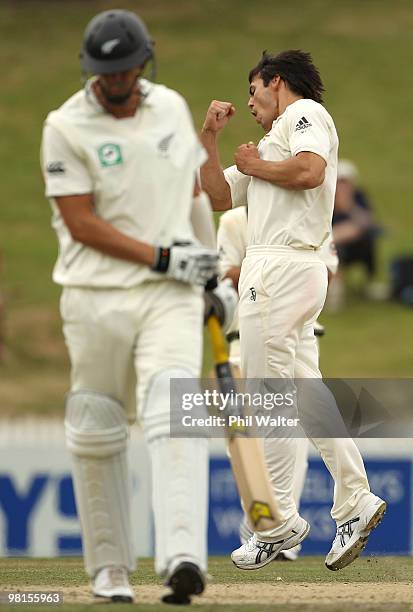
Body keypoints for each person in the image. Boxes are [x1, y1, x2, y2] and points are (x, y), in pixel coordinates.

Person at [41, 9, 235, 605]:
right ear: (90, 70)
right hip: (95, 297)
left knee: (174, 410)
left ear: (144, 62)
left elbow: (193, 193)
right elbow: (80, 223)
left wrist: (211, 271)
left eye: (126, 69)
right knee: (98, 429)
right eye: (107, 72)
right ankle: (109, 571)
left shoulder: (171, 107)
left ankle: (182, 556)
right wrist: (162, 257)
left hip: (168, 297)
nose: (117, 81)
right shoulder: (64, 125)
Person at [200, 49, 386, 571]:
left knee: (267, 397)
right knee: (306, 392)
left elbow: (309, 170)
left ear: (276, 82)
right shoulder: (269, 143)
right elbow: (217, 196)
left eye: (253, 90)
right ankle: (356, 499)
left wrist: (258, 164)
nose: (250, 103)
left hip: (280, 267)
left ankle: (276, 523)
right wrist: (211, 140)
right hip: (286, 269)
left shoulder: (305, 116)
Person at [217, 206, 339, 561]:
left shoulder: (312, 214)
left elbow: (326, 273)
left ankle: (281, 527)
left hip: (295, 337)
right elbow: (225, 276)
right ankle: (262, 522)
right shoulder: (234, 221)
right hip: (243, 340)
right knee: (242, 442)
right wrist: (271, 268)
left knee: (290, 426)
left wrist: (263, 269)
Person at [327, 159, 382, 309]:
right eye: (339, 182)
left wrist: (350, 207)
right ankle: (334, 290)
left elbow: (368, 222)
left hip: (357, 243)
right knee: (335, 249)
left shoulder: (358, 197)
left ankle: (368, 284)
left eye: (346, 182)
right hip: (332, 244)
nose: (342, 186)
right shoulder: (325, 199)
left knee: (367, 240)